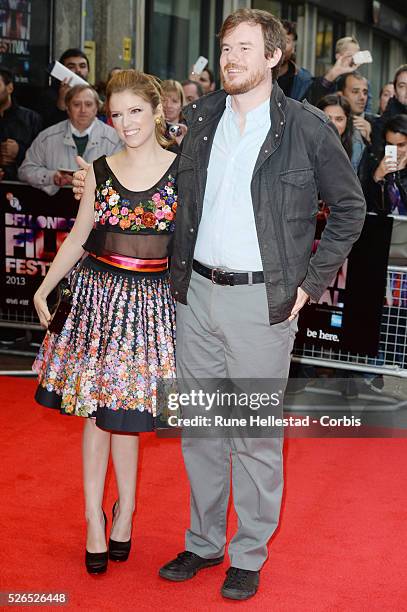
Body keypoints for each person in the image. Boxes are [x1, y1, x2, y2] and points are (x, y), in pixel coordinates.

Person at [73, 9, 365, 600]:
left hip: (263, 302)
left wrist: (308, 284)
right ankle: (204, 542)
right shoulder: (204, 118)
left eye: (243, 49)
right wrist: (97, 184)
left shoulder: (307, 128)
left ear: (272, 57)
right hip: (195, 296)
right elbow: (160, 182)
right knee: (202, 430)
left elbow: (350, 209)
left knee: (253, 435)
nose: (230, 58)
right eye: (225, 47)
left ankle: (248, 552)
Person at [32, 69, 178, 575]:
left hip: (151, 307)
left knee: (128, 418)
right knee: (96, 413)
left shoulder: (184, 171)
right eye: (117, 114)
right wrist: (46, 285)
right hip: (98, 301)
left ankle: (127, 512)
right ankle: (94, 515)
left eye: (134, 111)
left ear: (157, 111)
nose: (125, 122)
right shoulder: (99, 168)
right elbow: (78, 235)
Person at [18, 84, 121, 195]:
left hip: (99, 208)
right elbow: (25, 171)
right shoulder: (46, 137)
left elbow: (125, 175)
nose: (83, 110)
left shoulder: (115, 139)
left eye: (88, 104)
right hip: (56, 208)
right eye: (76, 104)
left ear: (96, 108)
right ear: (67, 108)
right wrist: (52, 177)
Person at [0, 66, 42, 181]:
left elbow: (45, 158)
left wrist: (19, 151)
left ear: (9, 88)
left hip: (24, 187)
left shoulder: (31, 119)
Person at [361, 114, 407, 215]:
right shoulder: (376, 163)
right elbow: (372, 208)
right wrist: (377, 179)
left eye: (401, 145)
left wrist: (400, 174)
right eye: (390, 144)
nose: (396, 151)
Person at [40, 48, 90, 128]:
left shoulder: (92, 93)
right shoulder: (49, 95)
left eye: (82, 66)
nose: (78, 70)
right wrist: (62, 102)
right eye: (71, 67)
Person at [317, 93, 365, 171]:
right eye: (326, 118)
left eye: (339, 119)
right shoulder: (305, 140)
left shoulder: (355, 144)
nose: (332, 124)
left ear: (347, 121)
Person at [277, 20, 312, 101]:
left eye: (286, 41)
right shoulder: (254, 74)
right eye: (276, 39)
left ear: (293, 48)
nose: (280, 45)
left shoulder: (304, 80)